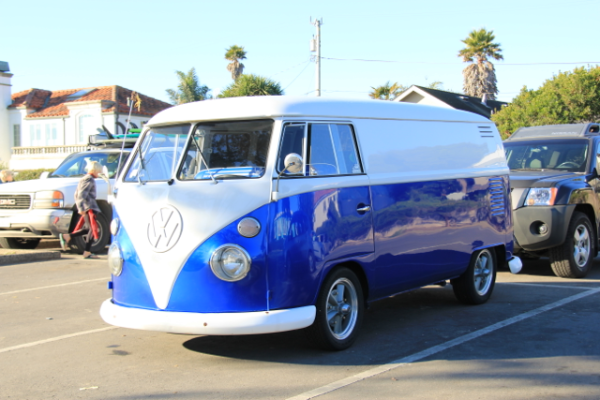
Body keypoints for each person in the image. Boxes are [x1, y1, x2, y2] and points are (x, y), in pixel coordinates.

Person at [59, 161, 103, 259]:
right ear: (95, 170)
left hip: (87, 207)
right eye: (98, 171)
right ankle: (87, 252)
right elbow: (81, 195)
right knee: (92, 229)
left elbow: (77, 194)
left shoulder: (84, 178)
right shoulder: (89, 179)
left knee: (87, 229)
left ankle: (68, 236)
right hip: (89, 207)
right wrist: (81, 208)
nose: (99, 174)